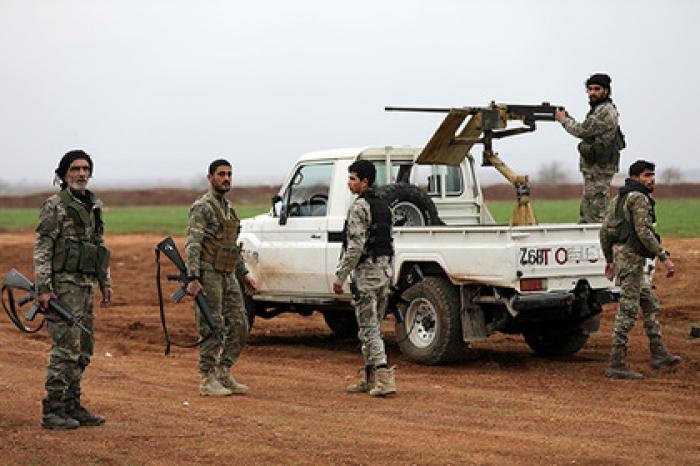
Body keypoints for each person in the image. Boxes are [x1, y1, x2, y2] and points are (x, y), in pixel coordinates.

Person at [34, 150, 112, 429]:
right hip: (62, 287)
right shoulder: (54, 205)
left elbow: (99, 246)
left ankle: (72, 404)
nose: (81, 174)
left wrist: (105, 281)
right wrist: (43, 288)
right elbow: (43, 248)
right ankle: (53, 409)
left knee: (83, 349)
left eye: (85, 168)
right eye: (75, 169)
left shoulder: (92, 205)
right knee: (65, 349)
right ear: (64, 174)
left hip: (86, 284)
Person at [600, 160, 681, 379]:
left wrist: (609, 259)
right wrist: (664, 257)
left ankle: (659, 354)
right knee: (627, 311)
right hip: (632, 261)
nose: (652, 179)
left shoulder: (619, 198)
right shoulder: (639, 198)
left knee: (649, 302)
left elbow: (605, 232)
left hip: (622, 259)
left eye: (653, 175)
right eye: (647, 175)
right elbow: (644, 232)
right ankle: (616, 364)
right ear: (636, 178)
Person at [185, 159, 257, 396]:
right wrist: (193, 277)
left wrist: (244, 274)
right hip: (209, 274)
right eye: (221, 174)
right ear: (210, 178)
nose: (226, 178)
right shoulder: (202, 208)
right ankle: (207, 378)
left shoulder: (229, 209)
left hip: (228, 274)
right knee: (211, 324)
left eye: (229, 174)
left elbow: (231, 245)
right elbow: (193, 244)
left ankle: (223, 370)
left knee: (240, 324)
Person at [333, 160, 396, 397]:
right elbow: (389, 243)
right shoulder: (384, 206)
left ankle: (383, 377)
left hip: (367, 275)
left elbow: (355, 246)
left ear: (364, 182)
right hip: (384, 273)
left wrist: (340, 276)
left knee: (368, 327)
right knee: (372, 326)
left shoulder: (359, 207)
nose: (349, 183)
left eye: (352, 179)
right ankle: (370, 378)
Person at [555, 73, 625, 223]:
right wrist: (568, 118)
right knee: (588, 208)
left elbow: (582, 131)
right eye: (590, 89)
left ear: (606, 91)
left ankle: (599, 242)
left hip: (600, 167)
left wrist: (564, 120)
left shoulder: (605, 111)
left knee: (596, 211)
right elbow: (587, 130)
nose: (592, 92)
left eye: (597, 89)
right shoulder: (599, 109)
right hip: (595, 167)